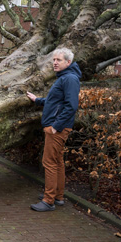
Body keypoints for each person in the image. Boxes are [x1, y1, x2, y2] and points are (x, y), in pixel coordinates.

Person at [26, 47, 81, 212]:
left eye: (59, 60)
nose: (55, 63)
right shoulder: (65, 77)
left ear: (68, 62)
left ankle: (48, 200)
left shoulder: (70, 79)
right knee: (57, 162)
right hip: (57, 126)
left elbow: (71, 106)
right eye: (54, 60)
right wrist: (38, 100)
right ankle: (58, 196)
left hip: (57, 127)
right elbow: (55, 101)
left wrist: (56, 127)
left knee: (49, 162)